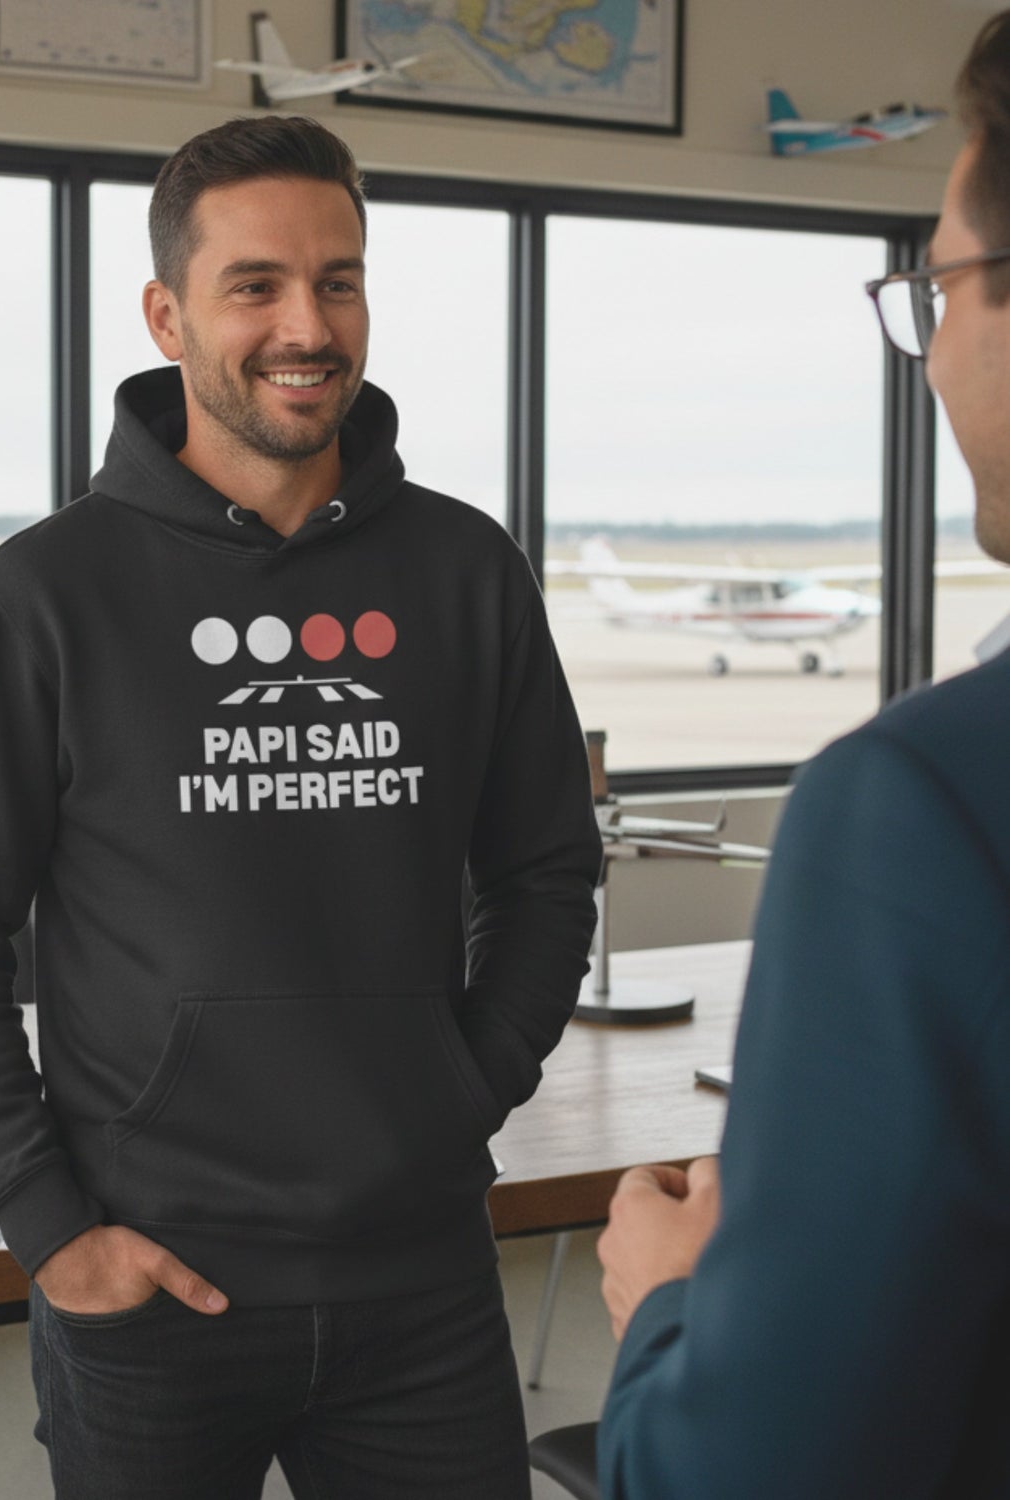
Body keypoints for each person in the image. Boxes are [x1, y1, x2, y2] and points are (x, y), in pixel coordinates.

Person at [0, 115, 601, 1498]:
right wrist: (49, 1226)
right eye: (255, 285)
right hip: (150, 1283)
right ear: (168, 317)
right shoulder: (46, 594)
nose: (306, 326)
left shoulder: (467, 571)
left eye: (339, 282)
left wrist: (463, 1090)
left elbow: (547, 873)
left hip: (424, 1277)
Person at [595, 16, 1010, 1498]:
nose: (931, 349)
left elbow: (750, 1474)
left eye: (939, 288)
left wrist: (669, 1304)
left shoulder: (923, 807)